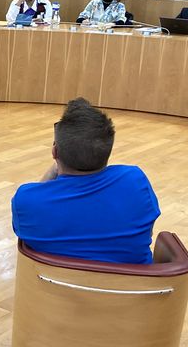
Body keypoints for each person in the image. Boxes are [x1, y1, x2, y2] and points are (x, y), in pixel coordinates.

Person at [11, 98, 160, 263]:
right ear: (107, 151)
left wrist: (56, 168)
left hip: (57, 288)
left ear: (55, 152)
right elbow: (148, 233)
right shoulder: (135, 181)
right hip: (133, 287)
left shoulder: (26, 201)